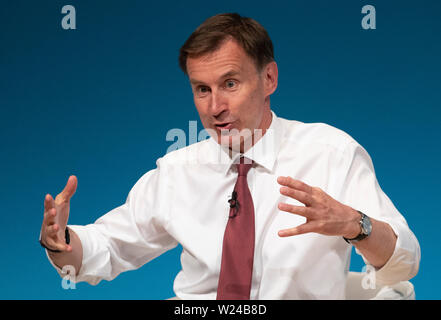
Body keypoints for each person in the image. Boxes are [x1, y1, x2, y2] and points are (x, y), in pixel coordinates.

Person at [39, 13, 420, 299]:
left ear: (269, 79)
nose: (215, 106)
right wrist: (62, 241)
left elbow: (404, 263)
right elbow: (105, 248)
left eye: (230, 84)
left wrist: (355, 224)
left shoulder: (332, 154)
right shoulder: (177, 171)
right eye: (201, 89)